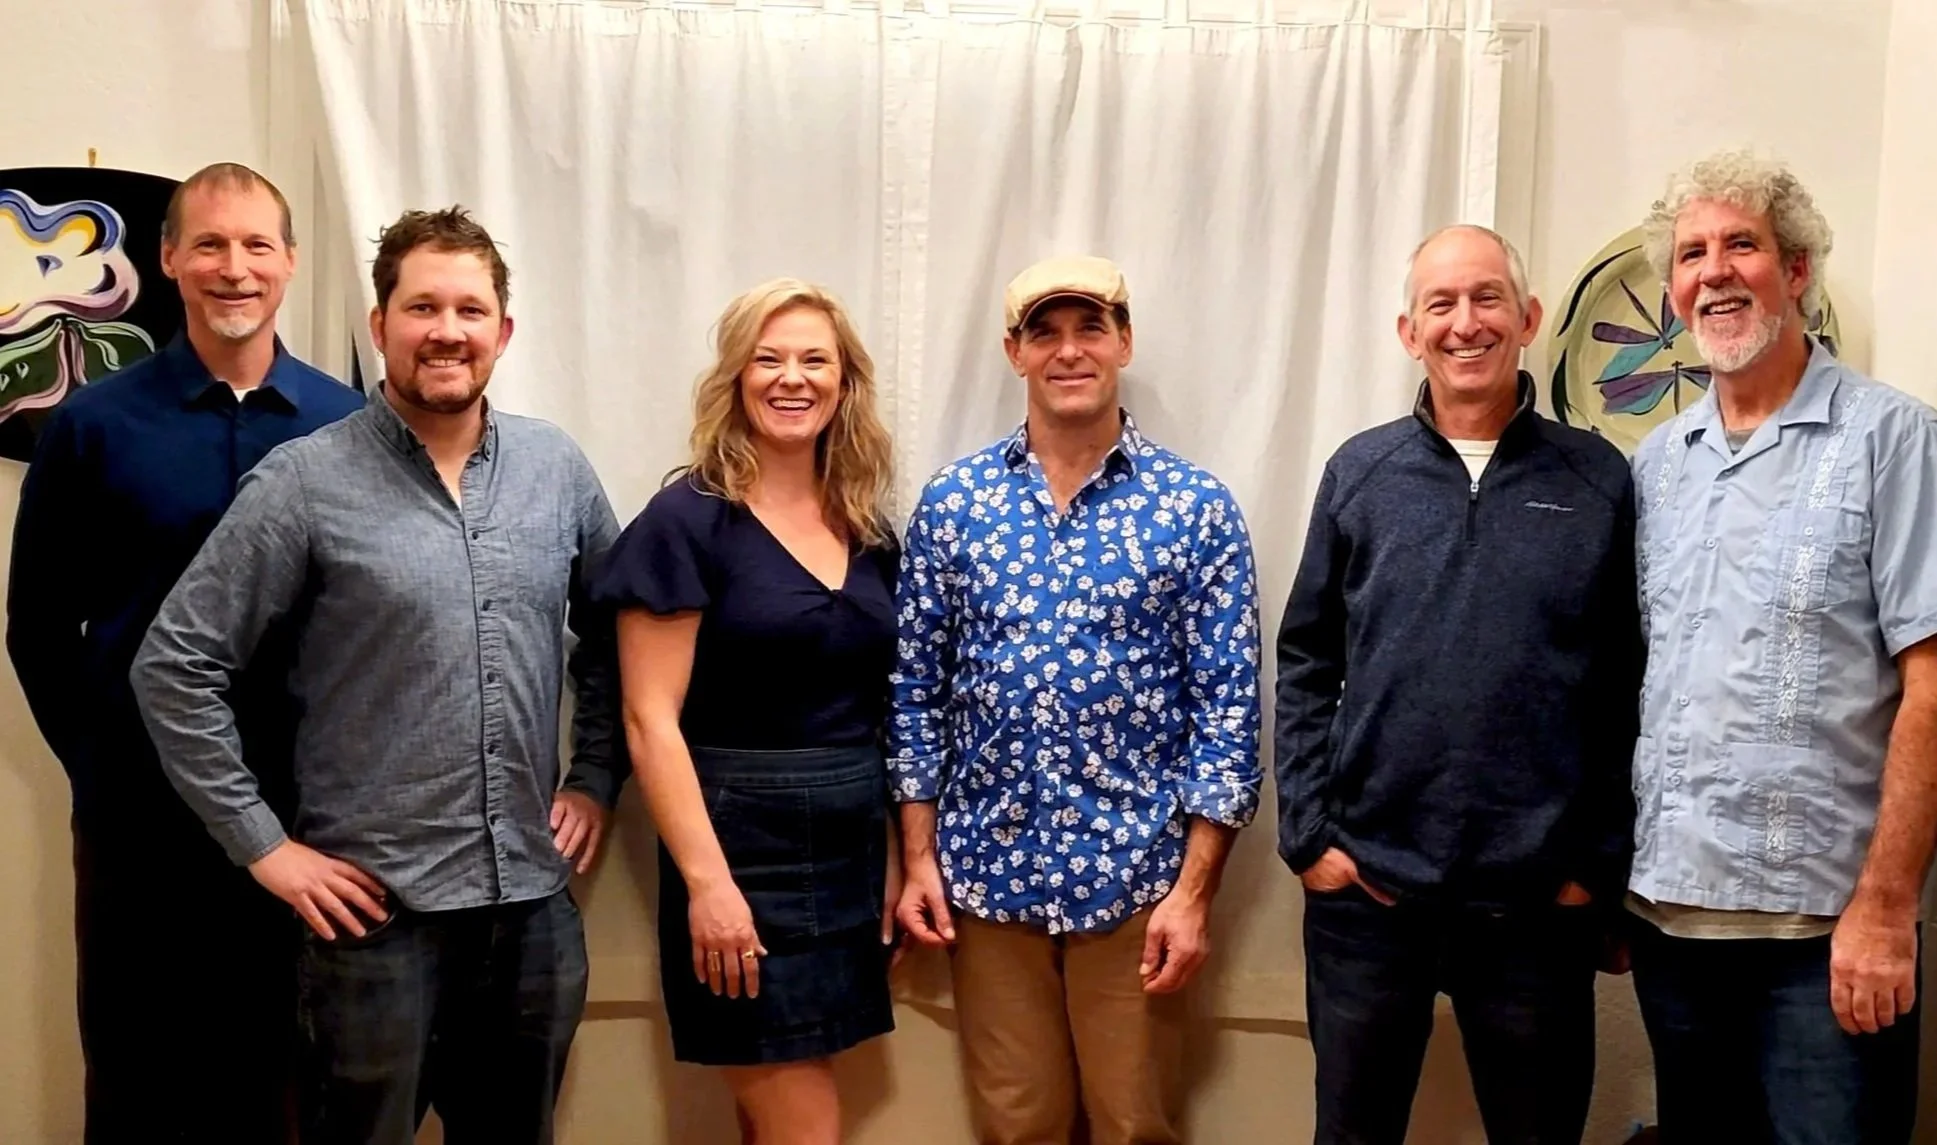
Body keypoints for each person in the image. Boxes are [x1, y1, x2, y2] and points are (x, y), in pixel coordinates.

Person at [129, 206, 625, 1145]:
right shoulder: (304, 481)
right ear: (380, 324)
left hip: (531, 907)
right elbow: (176, 664)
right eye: (422, 307)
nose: (448, 331)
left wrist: (596, 775)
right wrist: (264, 846)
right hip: (372, 922)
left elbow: (613, 635)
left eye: (470, 310)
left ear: (503, 332)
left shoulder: (556, 468)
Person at [1627, 150, 1937, 1144]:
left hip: (1826, 939)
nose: (1713, 271)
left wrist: (1884, 907)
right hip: (1671, 922)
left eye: (1740, 245)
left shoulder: (1894, 440)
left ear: (1795, 270)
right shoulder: (1658, 465)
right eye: (1691, 254)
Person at [6, 161, 363, 1144]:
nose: (233, 267)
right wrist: (105, 763)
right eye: (209, 244)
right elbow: (39, 629)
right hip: (142, 823)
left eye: (256, 245)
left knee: (290, 1077)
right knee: (139, 1077)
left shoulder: (351, 426)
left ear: (290, 261)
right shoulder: (92, 425)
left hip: (306, 815)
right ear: (168, 259)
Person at [1273, 224, 1642, 1145]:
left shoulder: (1597, 479)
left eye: (1487, 299)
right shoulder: (1360, 473)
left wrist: (1593, 867)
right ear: (1410, 332)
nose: (1465, 322)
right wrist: (1310, 837)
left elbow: (1628, 683)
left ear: (1529, 317)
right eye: (1441, 304)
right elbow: (1308, 658)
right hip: (1370, 894)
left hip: (1537, 906)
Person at [887, 255, 1262, 1145]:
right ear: (1013, 351)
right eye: (1044, 332)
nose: (1068, 351)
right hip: (987, 877)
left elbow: (1229, 714)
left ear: (1123, 342)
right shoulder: (955, 504)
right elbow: (914, 693)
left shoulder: (1194, 508)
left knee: (1135, 1126)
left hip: (1137, 880)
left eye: (1090, 327)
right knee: (1018, 1126)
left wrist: (1193, 894)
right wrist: (919, 858)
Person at [592, 279, 901, 1144]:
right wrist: (709, 885)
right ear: (735, 376)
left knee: (775, 1123)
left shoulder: (866, 525)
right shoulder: (685, 521)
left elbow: (874, 706)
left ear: (845, 382)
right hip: (740, 859)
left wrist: (889, 854)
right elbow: (650, 721)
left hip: (846, 854)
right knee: (806, 1128)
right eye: (768, 359)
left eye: (814, 360)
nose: (791, 378)